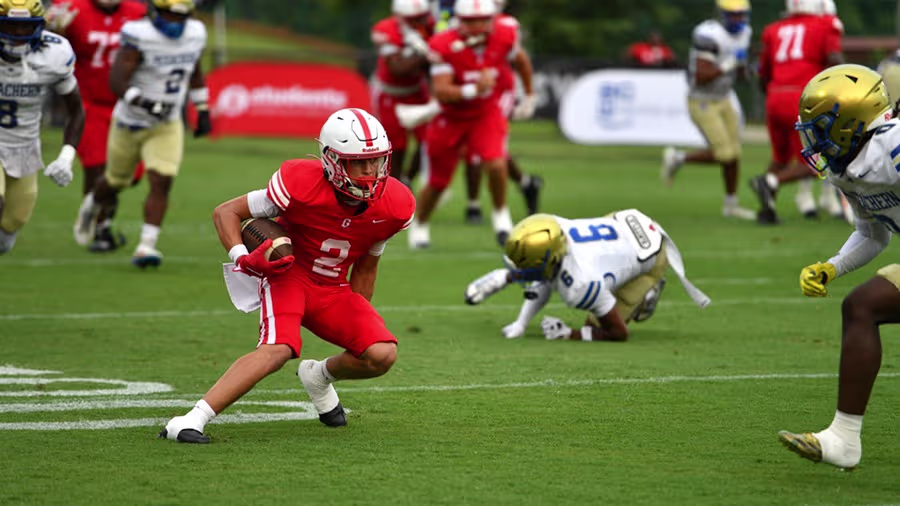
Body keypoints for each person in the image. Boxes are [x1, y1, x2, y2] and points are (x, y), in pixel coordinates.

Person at [160, 108, 415, 443]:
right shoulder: (300, 184)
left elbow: (366, 268)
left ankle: (318, 376)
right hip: (288, 275)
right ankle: (190, 419)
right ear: (332, 161)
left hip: (334, 289)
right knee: (278, 349)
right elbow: (227, 212)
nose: (370, 172)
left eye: (376, 161)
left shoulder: (395, 204)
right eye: (359, 163)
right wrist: (242, 258)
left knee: (381, 354)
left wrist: (356, 322)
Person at [778, 64, 899, 470]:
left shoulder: (892, 146)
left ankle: (845, 439)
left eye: (819, 128)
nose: (813, 139)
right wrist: (832, 267)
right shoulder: (849, 167)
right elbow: (873, 234)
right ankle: (844, 440)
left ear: (849, 124)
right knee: (861, 307)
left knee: (863, 306)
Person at [73, 0, 211, 265]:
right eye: (168, 14)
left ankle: (146, 246)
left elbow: (194, 70)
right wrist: (145, 102)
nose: (173, 22)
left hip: (166, 123)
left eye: (179, 16)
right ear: (155, 11)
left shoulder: (195, 33)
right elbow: (117, 80)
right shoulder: (139, 34)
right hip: (130, 121)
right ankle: (93, 201)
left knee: (162, 180)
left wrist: (203, 108)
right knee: (115, 181)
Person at [463, 210, 710, 341]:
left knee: (595, 328)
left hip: (653, 252)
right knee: (571, 274)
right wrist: (520, 322)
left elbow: (618, 334)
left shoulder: (580, 285)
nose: (520, 270)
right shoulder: (553, 226)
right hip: (624, 220)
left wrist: (568, 334)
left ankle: (647, 292)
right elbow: (546, 273)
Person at [407, 0, 517, 249]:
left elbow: (517, 57)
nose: (478, 27)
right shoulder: (444, 45)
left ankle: (501, 214)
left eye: (483, 20)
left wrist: (528, 92)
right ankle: (420, 223)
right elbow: (443, 91)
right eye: (471, 21)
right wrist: (473, 89)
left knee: (496, 162)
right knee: (438, 182)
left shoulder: (504, 35)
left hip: (484, 112)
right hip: (451, 116)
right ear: (460, 21)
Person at [45, 0, 146, 249]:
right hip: (88, 103)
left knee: (130, 174)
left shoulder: (137, 12)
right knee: (97, 167)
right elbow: (50, 46)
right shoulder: (72, 8)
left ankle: (97, 208)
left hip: (126, 105)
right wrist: (55, 29)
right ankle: (101, 228)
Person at [0, 0, 85, 255]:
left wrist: (66, 157)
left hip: (24, 146)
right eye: (10, 26)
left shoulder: (54, 54)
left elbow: (76, 110)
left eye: (25, 27)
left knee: (12, 223)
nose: (18, 34)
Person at [749, 0, 843, 225]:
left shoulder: (774, 29)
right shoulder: (825, 24)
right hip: (802, 97)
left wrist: (772, 94)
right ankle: (770, 182)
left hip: (775, 95)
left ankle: (767, 210)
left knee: (780, 159)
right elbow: (834, 59)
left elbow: (763, 72)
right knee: (816, 163)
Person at [660, 0, 755, 220]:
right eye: (734, 15)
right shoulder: (709, 35)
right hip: (702, 100)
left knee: (735, 154)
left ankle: (731, 205)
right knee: (725, 154)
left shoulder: (745, 34)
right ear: (722, 15)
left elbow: (740, 74)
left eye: (741, 15)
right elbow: (701, 76)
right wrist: (729, 64)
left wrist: (746, 70)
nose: (739, 20)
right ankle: (678, 158)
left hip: (724, 97)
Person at [463, 0, 543, 225]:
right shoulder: (459, 25)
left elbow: (521, 60)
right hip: (473, 90)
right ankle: (525, 183)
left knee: (487, 148)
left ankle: (479, 207)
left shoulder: (506, 27)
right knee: (479, 148)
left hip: (499, 91)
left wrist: (529, 95)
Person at [370, 0, 433, 188]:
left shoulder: (429, 26)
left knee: (429, 140)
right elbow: (398, 69)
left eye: (421, 18)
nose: (418, 22)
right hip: (391, 93)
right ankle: (395, 186)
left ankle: (407, 180)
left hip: (416, 91)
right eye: (413, 19)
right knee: (396, 147)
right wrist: (423, 52)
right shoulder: (385, 30)